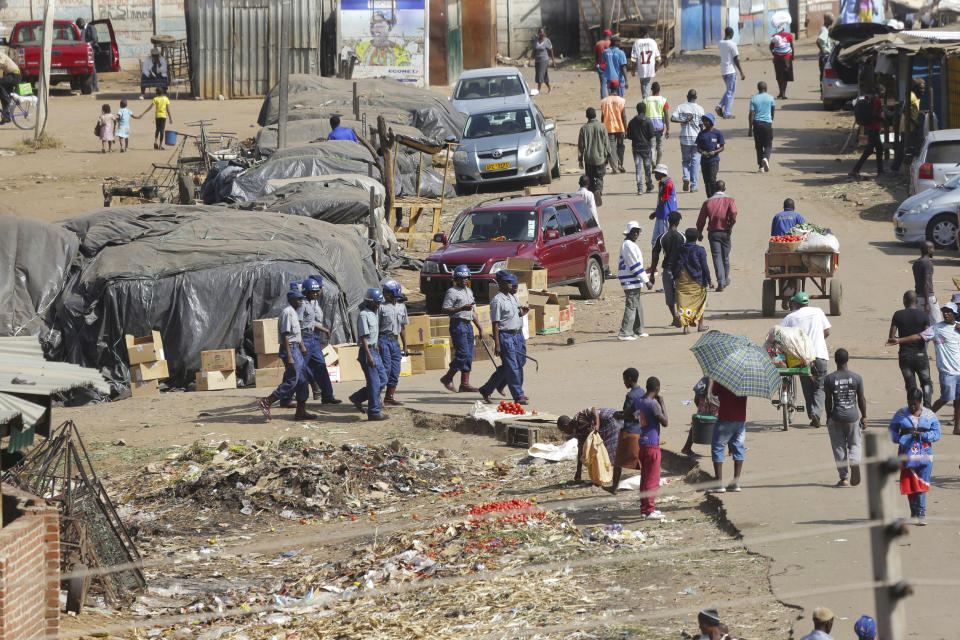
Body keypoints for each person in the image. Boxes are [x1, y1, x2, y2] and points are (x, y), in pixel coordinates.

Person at [889, 301, 960, 435]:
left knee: (958, 401)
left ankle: (957, 428)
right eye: (944, 311)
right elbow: (918, 336)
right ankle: (922, 417)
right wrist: (899, 340)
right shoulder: (937, 328)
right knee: (946, 398)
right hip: (947, 371)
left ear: (955, 314)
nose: (945, 313)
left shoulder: (958, 328)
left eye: (948, 311)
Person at [610, 376, 667, 520]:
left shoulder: (639, 401)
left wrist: (639, 418)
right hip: (652, 445)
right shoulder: (653, 404)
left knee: (645, 478)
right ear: (657, 389)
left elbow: (627, 414)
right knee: (652, 479)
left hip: (642, 443)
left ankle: (644, 509)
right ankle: (649, 510)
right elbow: (665, 422)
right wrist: (662, 403)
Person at [278, 277, 341, 408]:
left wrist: (324, 330)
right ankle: (285, 398)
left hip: (313, 340)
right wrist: (301, 345)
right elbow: (298, 327)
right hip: (305, 340)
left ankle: (328, 396)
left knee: (321, 367)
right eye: (314, 291)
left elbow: (310, 322)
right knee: (296, 370)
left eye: (317, 291)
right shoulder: (301, 305)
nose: (317, 293)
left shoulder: (311, 304)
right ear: (306, 292)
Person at [257, 289, 315, 421]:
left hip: (296, 349)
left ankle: (300, 411)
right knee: (292, 380)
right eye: (298, 299)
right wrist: (289, 355)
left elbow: (297, 333)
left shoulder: (294, 312)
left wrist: (302, 346)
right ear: (292, 300)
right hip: (290, 350)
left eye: (301, 298)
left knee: (302, 381)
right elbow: (285, 335)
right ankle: (267, 401)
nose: (301, 300)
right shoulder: (287, 313)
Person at [889, 388, 940, 525]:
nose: (912, 407)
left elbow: (937, 433)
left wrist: (924, 436)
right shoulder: (900, 414)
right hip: (906, 454)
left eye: (915, 404)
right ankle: (914, 511)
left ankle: (921, 514)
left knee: (922, 482)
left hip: (925, 454)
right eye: (910, 403)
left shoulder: (930, 415)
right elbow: (892, 429)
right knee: (910, 482)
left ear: (920, 402)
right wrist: (898, 439)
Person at [780, 292, 832, 427]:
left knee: (807, 387)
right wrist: (817, 340)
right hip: (819, 354)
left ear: (795, 304)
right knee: (820, 387)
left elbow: (779, 334)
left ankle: (811, 413)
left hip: (801, 358)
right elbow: (827, 331)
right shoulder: (818, 312)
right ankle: (816, 413)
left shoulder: (790, 317)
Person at [479, 270, 529, 404]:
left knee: (519, 363)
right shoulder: (497, 301)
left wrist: (523, 312)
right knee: (512, 367)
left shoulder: (513, 297)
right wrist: (498, 343)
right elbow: (495, 323)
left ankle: (487, 388)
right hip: (505, 336)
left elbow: (516, 314)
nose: (510, 284)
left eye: (510, 281)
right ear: (500, 283)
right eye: (507, 282)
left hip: (518, 335)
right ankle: (519, 395)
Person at [823, 348, 866, 487]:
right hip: (852, 417)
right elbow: (861, 398)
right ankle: (854, 460)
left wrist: (828, 416)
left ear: (835, 361)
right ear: (848, 360)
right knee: (855, 444)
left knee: (839, 448)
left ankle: (844, 478)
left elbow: (828, 400)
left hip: (836, 417)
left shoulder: (829, 378)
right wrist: (864, 416)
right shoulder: (857, 377)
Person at [439, 265, 485, 392]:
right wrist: (461, 308)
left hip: (468, 325)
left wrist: (480, 328)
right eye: (461, 278)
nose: (464, 280)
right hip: (457, 324)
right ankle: (447, 378)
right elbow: (445, 309)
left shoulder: (469, 291)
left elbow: (473, 312)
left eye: (466, 278)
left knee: (469, 355)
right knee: (462, 353)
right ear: (456, 279)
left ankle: (464, 383)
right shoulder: (452, 292)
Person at [348, 288, 389, 421]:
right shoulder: (363, 315)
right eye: (377, 303)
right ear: (370, 302)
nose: (379, 305)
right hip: (367, 352)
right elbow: (363, 337)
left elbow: (372, 335)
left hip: (373, 349)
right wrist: (369, 355)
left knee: (383, 379)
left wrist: (375, 345)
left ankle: (358, 397)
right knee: (374, 383)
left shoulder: (373, 313)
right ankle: (374, 412)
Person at [889, 290, 932, 407]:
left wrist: (899, 339)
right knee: (926, 382)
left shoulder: (898, 314)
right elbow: (927, 337)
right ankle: (927, 408)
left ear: (904, 301)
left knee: (910, 385)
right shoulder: (924, 315)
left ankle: (913, 409)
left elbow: (891, 337)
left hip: (905, 356)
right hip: (920, 355)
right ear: (917, 301)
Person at [557, 406, 622, 484]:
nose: (564, 433)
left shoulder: (579, 418)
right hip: (608, 422)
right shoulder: (579, 431)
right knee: (602, 450)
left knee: (607, 452)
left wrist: (597, 425)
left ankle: (613, 479)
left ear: (566, 425)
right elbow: (581, 449)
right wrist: (578, 472)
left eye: (563, 430)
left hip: (610, 419)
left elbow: (594, 409)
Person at [695, 180, 737, 291]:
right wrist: (730, 226)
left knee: (717, 257)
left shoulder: (707, 202)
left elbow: (701, 220)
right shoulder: (730, 200)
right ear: (724, 189)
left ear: (714, 189)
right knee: (725, 257)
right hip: (726, 232)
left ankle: (721, 282)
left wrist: (699, 232)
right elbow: (733, 212)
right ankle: (725, 279)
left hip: (713, 233)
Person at [617, 221, 653, 341]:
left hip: (633, 280)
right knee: (632, 306)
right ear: (629, 232)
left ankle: (638, 330)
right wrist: (646, 280)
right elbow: (634, 265)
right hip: (630, 280)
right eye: (634, 231)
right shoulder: (628, 245)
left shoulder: (630, 244)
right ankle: (624, 333)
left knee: (637, 306)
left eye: (637, 231)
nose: (636, 233)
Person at [707, 380, 746, 492]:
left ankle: (719, 484)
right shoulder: (745, 381)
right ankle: (735, 483)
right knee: (739, 449)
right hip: (740, 421)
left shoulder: (724, 379)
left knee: (718, 448)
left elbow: (714, 392)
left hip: (725, 419)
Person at [673, 228, 712, 334]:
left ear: (686, 237)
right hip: (697, 281)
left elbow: (674, 263)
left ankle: (685, 327)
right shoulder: (700, 250)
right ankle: (700, 325)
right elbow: (704, 266)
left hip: (682, 281)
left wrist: (675, 277)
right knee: (700, 302)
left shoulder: (679, 249)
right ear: (696, 238)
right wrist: (709, 281)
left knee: (683, 304)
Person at [649, 211, 684, 327]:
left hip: (667, 270)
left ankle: (675, 316)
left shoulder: (662, 237)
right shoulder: (683, 236)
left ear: (668, 221)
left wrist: (652, 274)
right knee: (681, 295)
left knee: (669, 296)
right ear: (678, 222)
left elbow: (655, 255)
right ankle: (681, 316)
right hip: (681, 271)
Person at [378, 278, 409, 406]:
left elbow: (402, 327)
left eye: (387, 292)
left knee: (395, 370)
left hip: (395, 342)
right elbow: (375, 328)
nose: (384, 294)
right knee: (385, 370)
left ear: (395, 293)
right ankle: (376, 397)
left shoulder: (402, 307)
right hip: (383, 340)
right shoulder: (380, 307)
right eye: (384, 292)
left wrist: (405, 345)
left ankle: (389, 397)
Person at [670, 89, 705, 192]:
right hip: (696, 138)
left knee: (685, 160)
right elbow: (702, 125)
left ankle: (686, 177)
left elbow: (672, 118)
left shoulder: (681, 107)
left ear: (687, 96)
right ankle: (694, 185)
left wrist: (683, 121)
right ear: (696, 97)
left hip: (684, 138)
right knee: (695, 161)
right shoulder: (700, 109)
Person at [850, 86, 886, 179]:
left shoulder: (872, 99)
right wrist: (883, 120)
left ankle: (879, 171)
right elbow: (874, 114)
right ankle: (856, 170)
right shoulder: (877, 100)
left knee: (876, 149)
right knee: (873, 150)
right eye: (883, 92)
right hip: (874, 128)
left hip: (871, 127)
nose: (884, 94)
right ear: (880, 91)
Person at [578, 107, 611, 206]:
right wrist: (608, 155)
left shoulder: (583, 128)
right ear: (595, 115)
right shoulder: (602, 126)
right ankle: (599, 191)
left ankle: (594, 194)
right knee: (600, 177)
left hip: (588, 159)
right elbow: (607, 142)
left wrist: (580, 159)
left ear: (587, 116)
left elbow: (581, 145)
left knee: (590, 178)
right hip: (600, 158)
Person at [892, 77, 925, 171]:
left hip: (909, 127)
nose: (923, 90)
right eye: (921, 88)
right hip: (908, 127)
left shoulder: (916, 97)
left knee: (903, 149)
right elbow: (905, 111)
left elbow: (911, 110)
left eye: (924, 88)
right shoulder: (912, 95)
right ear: (915, 88)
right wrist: (915, 123)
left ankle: (895, 168)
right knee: (913, 148)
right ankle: (908, 169)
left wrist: (920, 112)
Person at [716, 27, 745, 119]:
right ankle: (726, 113)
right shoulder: (732, 44)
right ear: (731, 34)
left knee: (729, 91)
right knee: (730, 92)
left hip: (724, 71)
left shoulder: (720, 43)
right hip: (731, 71)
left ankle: (720, 106)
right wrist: (741, 72)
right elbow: (736, 58)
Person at [626, 101, 655, 194]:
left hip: (636, 148)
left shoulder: (632, 121)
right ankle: (649, 186)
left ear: (637, 110)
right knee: (647, 168)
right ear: (645, 110)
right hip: (646, 148)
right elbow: (651, 135)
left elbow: (629, 136)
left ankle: (640, 188)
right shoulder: (648, 121)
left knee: (638, 168)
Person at [695, 114, 725, 197]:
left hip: (714, 160)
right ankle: (709, 198)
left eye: (707, 121)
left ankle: (715, 197)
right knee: (706, 181)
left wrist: (714, 152)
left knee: (712, 178)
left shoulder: (717, 133)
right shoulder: (701, 134)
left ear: (711, 122)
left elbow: (722, 147)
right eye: (704, 121)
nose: (705, 123)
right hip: (704, 161)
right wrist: (702, 152)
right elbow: (698, 147)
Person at [600, 80, 627, 173]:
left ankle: (615, 168)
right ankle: (620, 164)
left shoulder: (604, 101)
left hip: (608, 127)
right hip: (620, 127)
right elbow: (624, 116)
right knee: (620, 146)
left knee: (611, 148)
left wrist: (601, 129)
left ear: (609, 88)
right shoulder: (621, 100)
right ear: (618, 87)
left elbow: (602, 116)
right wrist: (626, 129)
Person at [748, 82, 775, 173]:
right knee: (768, 145)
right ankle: (766, 158)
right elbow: (772, 111)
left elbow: (751, 114)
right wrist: (771, 120)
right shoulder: (771, 98)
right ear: (766, 88)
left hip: (757, 124)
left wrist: (750, 129)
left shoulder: (754, 99)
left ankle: (761, 167)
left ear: (758, 88)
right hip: (767, 124)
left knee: (758, 146)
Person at [913, 240, 941, 325]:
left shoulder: (916, 263)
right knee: (937, 325)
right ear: (929, 250)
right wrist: (927, 303)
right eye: (933, 248)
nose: (934, 251)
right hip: (928, 298)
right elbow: (926, 283)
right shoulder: (927, 263)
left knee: (922, 326)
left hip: (918, 298)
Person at [649, 164, 678, 243]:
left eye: (656, 173)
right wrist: (656, 213)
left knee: (665, 240)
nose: (654, 175)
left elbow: (662, 201)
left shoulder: (667, 184)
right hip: (661, 214)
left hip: (666, 216)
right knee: (655, 241)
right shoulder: (664, 183)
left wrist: (661, 187)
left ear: (661, 174)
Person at [630, 27, 661, 98]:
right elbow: (658, 58)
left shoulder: (636, 42)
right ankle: (645, 99)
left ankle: (645, 100)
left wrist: (633, 70)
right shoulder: (653, 42)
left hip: (641, 68)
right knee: (646, 84)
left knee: (644, 84)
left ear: (640, 33)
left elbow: (634, 59)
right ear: (647, 33)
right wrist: (656, 67)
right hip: (650, 68)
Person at [644, 83, 670, 166]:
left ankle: (652, 162)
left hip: (649, 127)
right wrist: (668, 129)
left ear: (651, 89)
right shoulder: (663, 100)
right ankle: (658, 164)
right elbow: (666, 114)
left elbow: (643, 114)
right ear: (659, 89)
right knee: (659, 146)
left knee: (651, 146)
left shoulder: (646, 100)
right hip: (660, 127)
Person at [769, 24, 794, 99]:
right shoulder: (789, 35)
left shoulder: (774, 36)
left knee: (779, 75)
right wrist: (792, 56)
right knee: (786, 75)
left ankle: (781, 92)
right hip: (787, 58)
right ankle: (783, 93)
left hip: (777, 58)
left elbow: (771, 47)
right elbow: (792, 47)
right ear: (784, 28)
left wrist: (774, 53)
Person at [76, 18, 99, 93]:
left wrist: (87, 44)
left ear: (82, 22)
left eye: (79, 25)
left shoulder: (90, 28)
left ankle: (95, 87)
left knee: (93, 67)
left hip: (91, 50)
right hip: (84, 51)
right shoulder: (82, 31)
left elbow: (95, 39)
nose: (79, 27)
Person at [532, 28, 557, 95]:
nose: (540, 33)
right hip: (537, 60)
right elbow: (534, 50)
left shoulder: (547, 41)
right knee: (543, 76)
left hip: (544, 60)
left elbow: (551, 51)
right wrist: (531, 59)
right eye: (539, 32)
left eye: (541, 32)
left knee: (540, 75)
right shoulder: (536, 41)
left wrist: (553, 61)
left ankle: (538, 91)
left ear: (544, 33)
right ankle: (549, 87)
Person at [0, 50, 22, 123]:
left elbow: (0, 66)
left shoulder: (1, 54)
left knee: (4, 94)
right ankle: (6, 116)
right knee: (3, 95)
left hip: (14, 75)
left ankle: (7, 101)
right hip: (10, 76)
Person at [817, 14, 834, 79]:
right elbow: (818, 41)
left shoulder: (824, 29)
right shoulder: (824, 31)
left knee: (823, 75)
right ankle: (822, 88)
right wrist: (823, 50)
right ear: (827, 21)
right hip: (825, 56)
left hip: (823, 56)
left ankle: (822, 87)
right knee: (824, 75)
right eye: (831, 20)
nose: (832, 22)